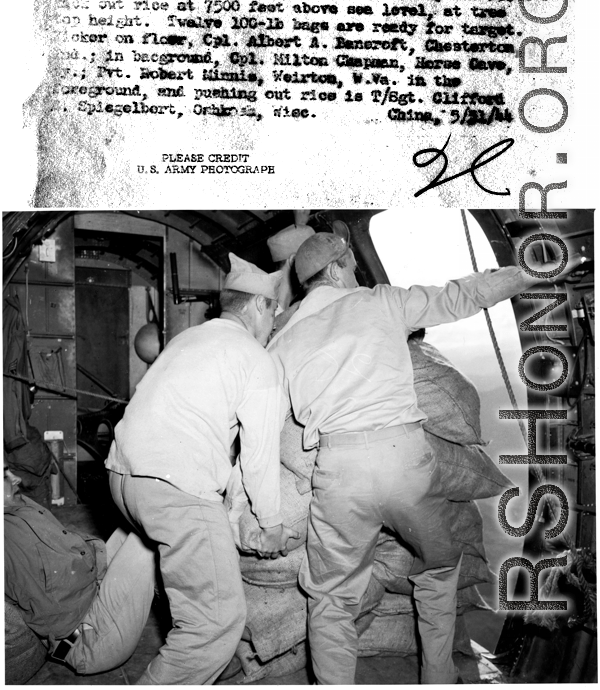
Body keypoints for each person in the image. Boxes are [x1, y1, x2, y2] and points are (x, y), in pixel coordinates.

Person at [267, 227, 542, 685]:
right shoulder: (378, 301)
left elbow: (262, 420)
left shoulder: (284, 338)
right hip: (406, 461)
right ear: (336, 269)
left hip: (339, 469)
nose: (356, 273)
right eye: (352, 266)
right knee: (438, 568)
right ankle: (438, 677)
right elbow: (460, 296)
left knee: (332, 598)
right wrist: (522, 274)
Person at [105, 254, 298, 685]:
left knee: (155, 554)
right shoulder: (255, 359)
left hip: (122, 478)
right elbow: (259, 455)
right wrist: (269, 524)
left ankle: (100, 642)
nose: (275, 322)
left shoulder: (188, 339)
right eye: (274, 311)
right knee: (216, 621)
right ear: (255, 307)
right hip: (173, 490)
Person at [4, 459, 156, 675]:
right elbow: (52, 610)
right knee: (150, 539)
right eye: (4, 476)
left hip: (92, 598)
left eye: (9, 470)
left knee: (139, 524)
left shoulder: (19, 506)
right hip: (88, 640)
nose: (15, 478)